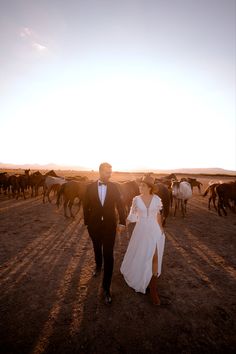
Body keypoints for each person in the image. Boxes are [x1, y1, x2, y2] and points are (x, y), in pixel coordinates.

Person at [83, 162, 126, 304]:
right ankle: (97, 266)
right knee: (96, 247)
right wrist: (87, 223)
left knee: (108, 254)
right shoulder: (89, 187)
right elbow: (86, 206)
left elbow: (120, 205)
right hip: (94, 225)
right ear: (101, 171)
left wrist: (122, 222)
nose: (110, 174)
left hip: (109, 226)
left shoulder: (114, 187)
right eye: (108, 172)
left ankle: (106, 288)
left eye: (111, 172)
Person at [120, 175, 165, 305]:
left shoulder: (157, 199)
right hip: (140, 231)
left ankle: (153, 288)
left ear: (149, 187)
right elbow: (132, 216)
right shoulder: (136, 200)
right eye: (140, 185)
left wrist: (161, 228)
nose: (140, 187)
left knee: (155, 256)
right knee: (142, 255)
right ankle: (140, 275)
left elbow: (158, 215)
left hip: (154, 230)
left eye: (143, 185)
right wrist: (123, 225)